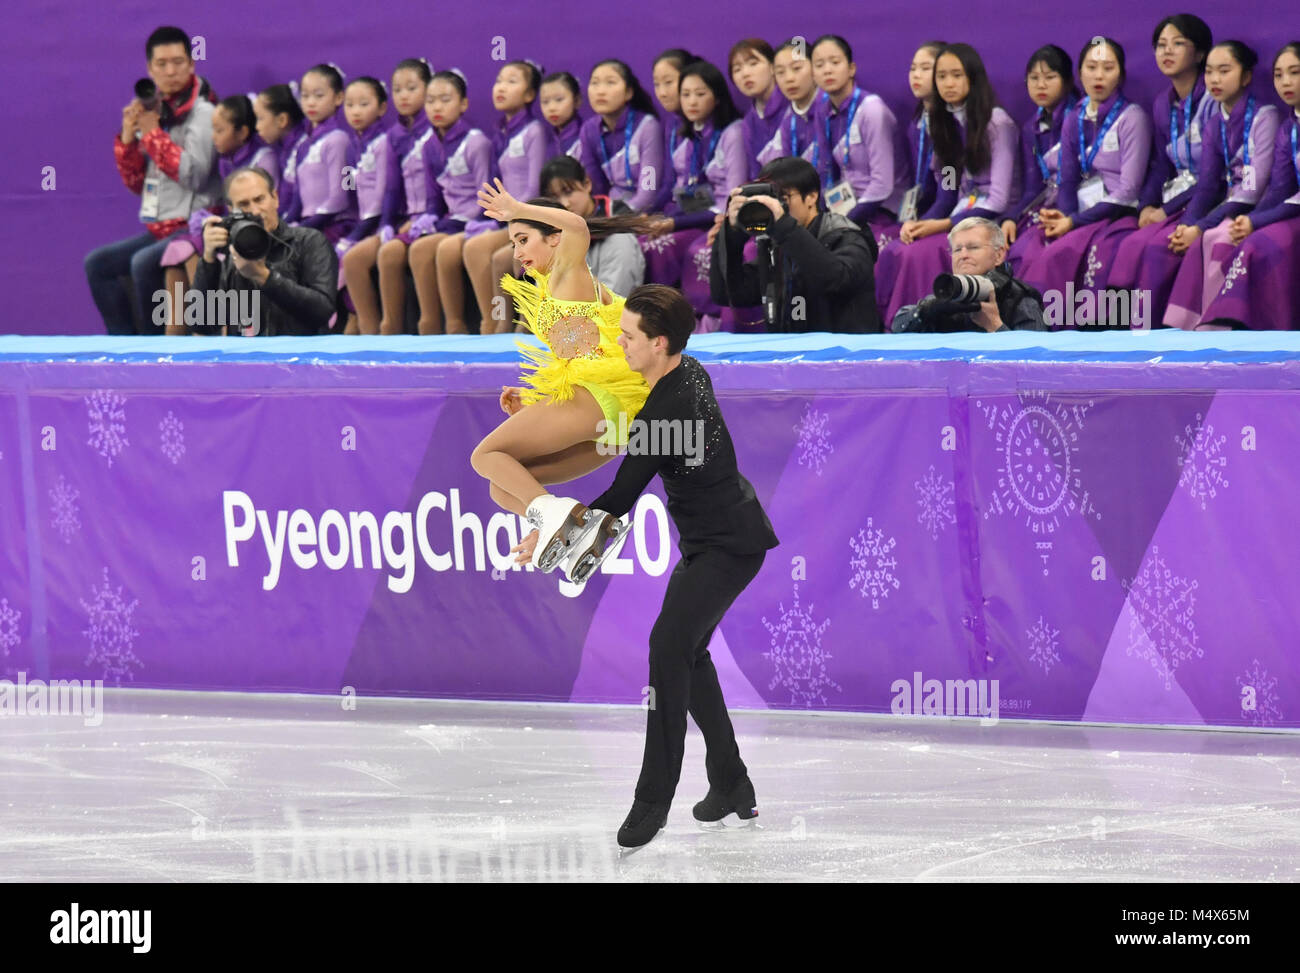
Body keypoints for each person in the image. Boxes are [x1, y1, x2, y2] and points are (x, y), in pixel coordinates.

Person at [510, 284, 779, 849]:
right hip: (716, 541)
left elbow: (619, 497)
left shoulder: (669, 405)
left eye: (629, 338)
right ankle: (732, 783)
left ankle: (653, 801)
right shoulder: (687, 369)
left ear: (659, 343)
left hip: (728, 546)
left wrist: (549, 532)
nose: (620, 344)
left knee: (667, 649)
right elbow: (626, 438)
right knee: (688, 651)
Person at [468, 180, 651, 572]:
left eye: (523, 238)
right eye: (512, 243)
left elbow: (577, 227)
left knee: (485, 455)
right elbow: (582, 357)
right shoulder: (553, 287)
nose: (517, 253)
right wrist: (533, 402)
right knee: (503, 485)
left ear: (553, 239)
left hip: (602, 400)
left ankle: (554, 519)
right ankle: (578, 526)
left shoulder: (569, 271)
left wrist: (517, 204)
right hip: (613, 424)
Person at [84, 25, 219, 335]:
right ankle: (124, 347)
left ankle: (151, 352)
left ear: (192, 64)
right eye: (161, 64)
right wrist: (129, 139)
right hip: (160, 228)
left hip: (195, 226)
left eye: (178, 62)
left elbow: (195, 175)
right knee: (98, 264)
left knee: (143, 263)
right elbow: (135, 184)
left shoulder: (204, 112)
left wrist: (153, 134)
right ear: (149, 68)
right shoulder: (156, 111)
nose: (170, 71)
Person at [873, 42, 1020, 324]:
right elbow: (948, 193)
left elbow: (998, 199)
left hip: (994, 218)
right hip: (958, 215)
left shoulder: (996, 123)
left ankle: (936, 323)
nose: (948, 83)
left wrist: (939, 226)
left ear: (972, 78)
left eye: (956, 75)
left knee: (925, 252)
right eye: (941, 76)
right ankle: (904, 325)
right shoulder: (945, 125)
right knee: (901, 247)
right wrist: (920, 224)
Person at [1164, 41, 1300, 330]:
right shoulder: (1288, 127)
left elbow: (1255, 188)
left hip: (1275, 207)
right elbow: (1278, 186)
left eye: (1295, 72)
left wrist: (1254, 221)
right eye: (1279, 74)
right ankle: (1191, 326)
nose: (1286, 82)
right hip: (1273, 206)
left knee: (1238, 241)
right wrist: (1190, 224)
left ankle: (1239, 327)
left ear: (1246, 76)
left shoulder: (1266, 118)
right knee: (1208, 238)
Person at [1017, 37, 1152, 326]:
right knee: (1029, 245)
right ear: (1080, 74)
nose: (1099, 75)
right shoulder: (1075, 116)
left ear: (1121, 74)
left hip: (1116, 212)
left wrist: (1073, 223)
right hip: (1078, 212)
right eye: (1091, 67)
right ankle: (1024, 327)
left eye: (1108, 67)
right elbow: (1067, 178)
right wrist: (1063, 216)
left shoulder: (1133, 117)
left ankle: (1066, 329)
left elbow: (1128, 190)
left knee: (1061, 251)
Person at [710, 156, 880, 332]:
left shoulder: (846, 235)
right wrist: (732, 235)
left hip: (845, 355)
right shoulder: (777, 244)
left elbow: (836, 280)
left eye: (783, 198)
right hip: (789, 355)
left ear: (812, 197)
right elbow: (728, 293)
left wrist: (784, 227)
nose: (776, 207)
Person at [192, 166, 338, 336]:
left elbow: (322, 311)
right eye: (243, 204)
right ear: (231, 210)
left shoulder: (309, 241)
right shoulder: (234, 254)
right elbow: (202, 325)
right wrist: (209, 260)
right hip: (247, 358)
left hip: (299, 356)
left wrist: (264, 277)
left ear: (275, 198)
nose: (254, 211)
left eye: (259, 199)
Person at [464, 61, 550, 335]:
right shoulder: (500, 131)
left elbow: (536, 187)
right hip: (506, 216)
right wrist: (486, 216)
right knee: (476, 248)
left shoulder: (534, 131)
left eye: (512, 81)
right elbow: (490, 184)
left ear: (529, 95)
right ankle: (492, 322)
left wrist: (512, 214)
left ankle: (522, 323)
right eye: (499, 80)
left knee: (499, 254)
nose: (501, 86)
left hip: (526, 215)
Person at [809, 34, 910, 242]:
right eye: (819, 65)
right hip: (845, 207)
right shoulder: (822, 110)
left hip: (883, 210)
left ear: (851, 68)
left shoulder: (871, 110)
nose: (827, 69)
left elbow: (882, 184)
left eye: (835, 62)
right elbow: (824, 169)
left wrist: (843, 223)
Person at [891, 217, 1047, 332]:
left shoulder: (1019, 299)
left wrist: (995, 325)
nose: (963, 255)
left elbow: (1034, 363)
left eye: (973, 247)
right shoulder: (949, 295)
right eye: (957, 250)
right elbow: (897, 325)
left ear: (999, 255)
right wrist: (929, 310)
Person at [1003, 45, 1079, 272]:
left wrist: (1070, 216)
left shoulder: (1080, 118)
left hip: (1079, 205)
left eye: (1050, 77)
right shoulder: (1030, 129)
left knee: (1041, 255)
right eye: (1033, 78)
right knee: (1012, 250)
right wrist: (1010, 217)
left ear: (1067, 81)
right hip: (1045, 205)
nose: (1041, 85)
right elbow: (1033, 187)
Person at [542, 155, 647, 296]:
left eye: (568, 191)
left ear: (587, 184)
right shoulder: (553, 238)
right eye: (554, 197)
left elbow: (612, 301)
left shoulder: (618, 236)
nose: (564, 203)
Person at [730, 38, 783, 179]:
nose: (745, 73)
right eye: (737, 69)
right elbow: (756, 174)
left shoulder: (793, 106)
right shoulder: (748, 123)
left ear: (773, 67)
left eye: (753, 63)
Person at [539, 71, 583, 158]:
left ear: (577, 101)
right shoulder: (545, 141)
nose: (551, 108)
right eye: (545, 102)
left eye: (559, 100)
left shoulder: (585, 139)